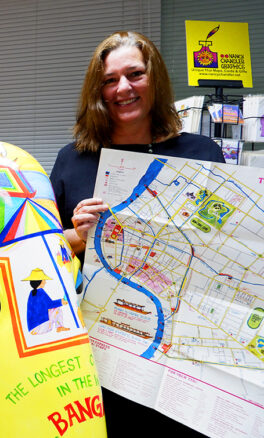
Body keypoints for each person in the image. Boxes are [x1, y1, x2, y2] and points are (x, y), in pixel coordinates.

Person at [50, 31, 224, 436]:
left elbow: (226, 248)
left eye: (135, 74)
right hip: (106, 351)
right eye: (110, 80)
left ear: (155, 80)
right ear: (98, 90)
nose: (123, 88)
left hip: (187, 350)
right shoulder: (72, 160)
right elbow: (42, 252)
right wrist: (78, 235)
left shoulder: (203, 154)